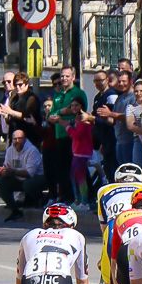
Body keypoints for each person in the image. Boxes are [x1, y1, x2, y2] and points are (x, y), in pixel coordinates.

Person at [45, 66, 86, 203]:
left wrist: (62, 113)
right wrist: (57, 114)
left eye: (67, 76)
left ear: (73, 77)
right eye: (62, 76)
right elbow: (52, 114)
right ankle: (66, 198)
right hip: (60, 135)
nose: (64, 79)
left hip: (74, 137)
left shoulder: (78, 93)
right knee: (62, 169)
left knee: (78, 170)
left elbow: (78, 111)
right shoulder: (58, 95)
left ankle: (84, 199)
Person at [0, 126, 47, 220]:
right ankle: (15, 210)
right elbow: (7, 167)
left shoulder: (32, 150)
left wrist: (12, 171)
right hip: (19, 178)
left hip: (36, 178)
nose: (17, 141)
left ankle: (40, 199)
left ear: (25, 139)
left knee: (28, 184)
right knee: (1, 182)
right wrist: (2, 171)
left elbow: (29, 174)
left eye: (20, 138)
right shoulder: (10, 150)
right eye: (15, 139)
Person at [0, 71, 46, 148]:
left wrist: (10, 111)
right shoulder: (14, 99)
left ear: (26, 85)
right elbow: (10, 120)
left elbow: (26, 116)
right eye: (16, 85)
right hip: (14, 137)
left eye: (20, 85)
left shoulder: (31, 98)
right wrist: (4, 114)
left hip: (29, 138)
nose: (17, 87)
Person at [68, 107, 96, 206]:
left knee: (80, 178)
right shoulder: (82, 124)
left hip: (81, 154)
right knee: (76, 177)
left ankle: (83, 202)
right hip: (79, 153)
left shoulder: (84, 124)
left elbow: (76, 135)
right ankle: (79, 200)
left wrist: (68, 127)